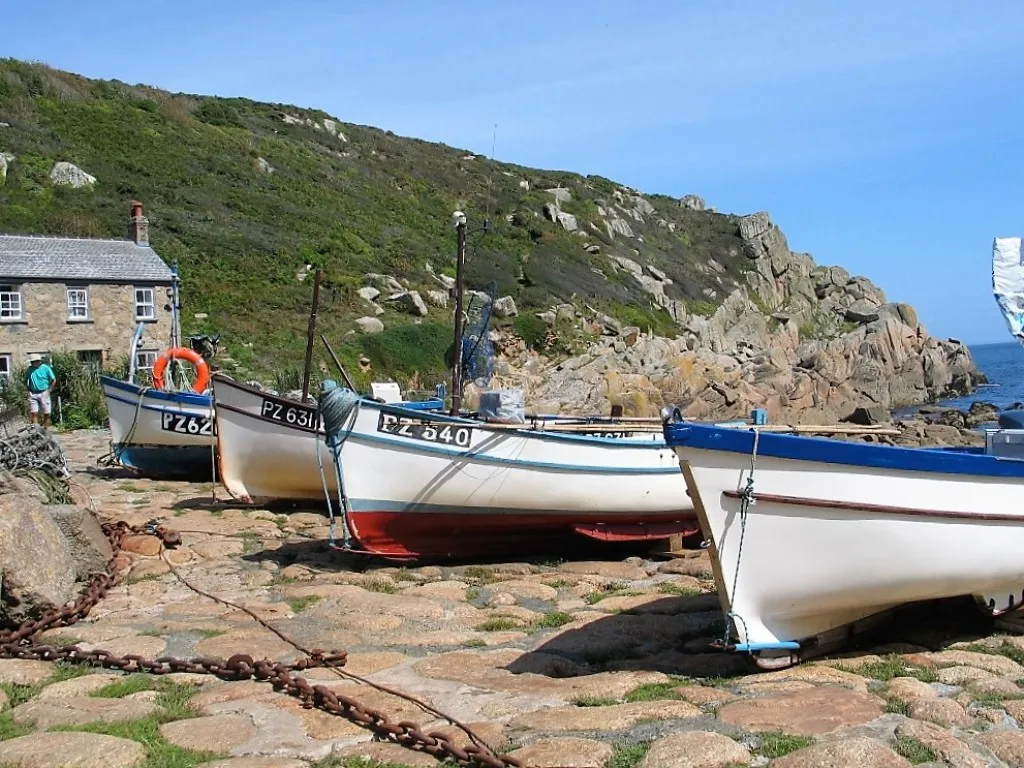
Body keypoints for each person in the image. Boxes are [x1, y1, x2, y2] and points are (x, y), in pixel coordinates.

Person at [25, 354, 56, 428]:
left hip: (44, 392)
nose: (34, 363)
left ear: (39, 361)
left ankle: (45, 427)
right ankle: (36, 429)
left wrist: (50, 390)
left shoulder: (45, 368)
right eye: (33, 362)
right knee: (34, 412)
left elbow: (53, 379)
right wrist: (28, 390)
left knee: (46, 412)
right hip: (33, 393)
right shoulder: (29, 370)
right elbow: (26, 380)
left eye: (36, 361)